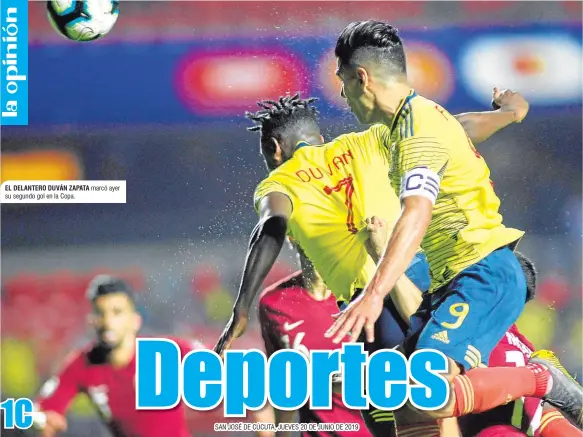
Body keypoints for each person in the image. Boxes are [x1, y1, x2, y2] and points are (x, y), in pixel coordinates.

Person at [212, 86, 533, 435]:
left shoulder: (279, 183)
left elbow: (270, 227)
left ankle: (539, 381)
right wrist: (509, 114)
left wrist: (240, 310)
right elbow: (452, 130)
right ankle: (533, 380)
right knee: (431, 404)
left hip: (380, 303)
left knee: (423, 407)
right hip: (428, 278)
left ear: (274, 150)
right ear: (319, 138)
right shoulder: (366, 143)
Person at [327, 19, 582, 429]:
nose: (342, 93)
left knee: (430, 392)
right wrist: (511, 113)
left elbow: (417, 212)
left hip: (482, 273)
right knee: (406, 404)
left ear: (362, 77)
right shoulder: (421, 120)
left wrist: (375, 293)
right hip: (453, 279)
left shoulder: (418, 130)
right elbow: (462, 129)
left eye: (343, 81)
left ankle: (540, 378)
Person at [33, 275, 205, 437]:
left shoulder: (165, 352)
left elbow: (216, 362)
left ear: (135, 320)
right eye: (100, 313)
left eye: (117, 312)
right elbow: (44, 409)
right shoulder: (82, 364)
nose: (108, 321)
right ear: (91, 320)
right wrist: (43, 420)